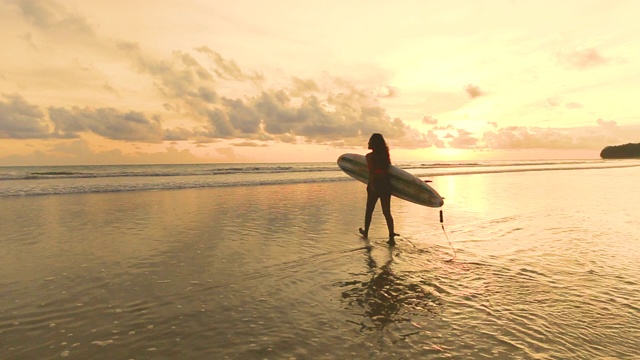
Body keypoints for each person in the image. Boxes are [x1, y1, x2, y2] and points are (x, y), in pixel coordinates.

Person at [359, 133, 397, 245]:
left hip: (375, 184)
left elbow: (372, 172)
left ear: (373, 143)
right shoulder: (385, 155)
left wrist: (372, 186)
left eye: (370, 141)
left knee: (369, 210)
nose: (368, 143)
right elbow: (389, 169)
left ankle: (366, 233)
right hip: (386, 184)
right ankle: (391, 236)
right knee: (386, 212)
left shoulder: (369, 157)